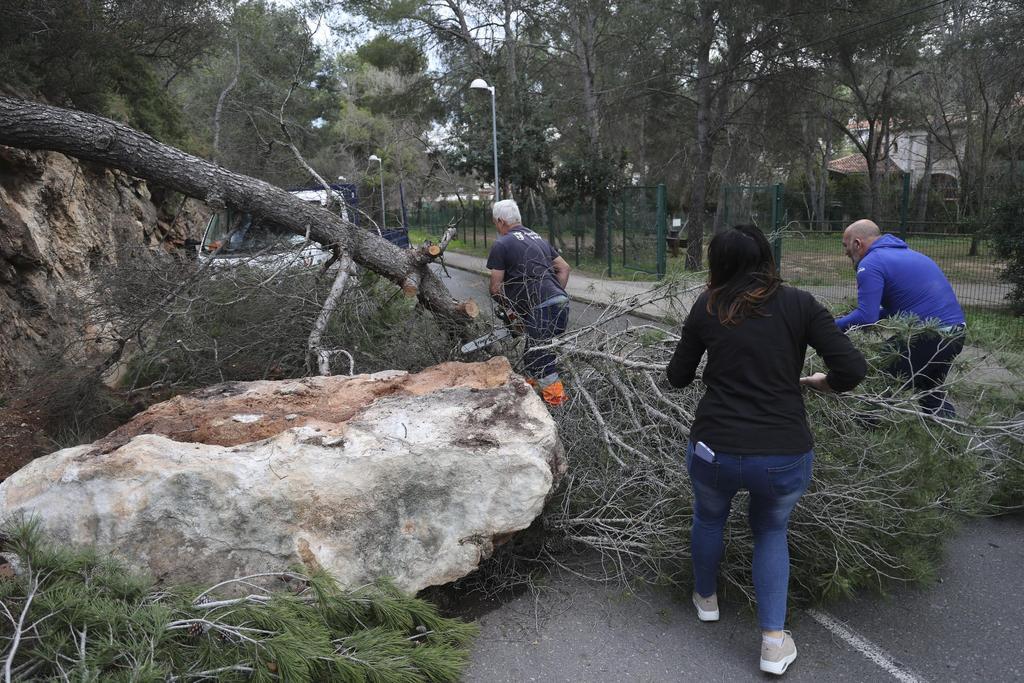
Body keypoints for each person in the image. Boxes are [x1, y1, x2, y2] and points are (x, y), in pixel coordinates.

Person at [666, 224, 866, 676]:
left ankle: (706, 599)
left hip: (714, 448)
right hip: (782, 454)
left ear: (719, 264)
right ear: (766, 259)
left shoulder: (708, 305)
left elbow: (677, 377)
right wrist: (823, 383)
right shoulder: (799, 304)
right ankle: (773, 644)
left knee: (708, 516)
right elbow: (852, 368)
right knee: (770, 531)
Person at [837, 219, 966, 417]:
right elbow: (897, 309)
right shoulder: (907, 254)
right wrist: (849, 318)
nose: (845, 252)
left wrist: (830, 326)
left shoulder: (871, 263)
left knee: (877, 379)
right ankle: (951, 440)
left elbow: (866, 316)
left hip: (929, 334)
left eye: (845, 246)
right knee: (929, 392)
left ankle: (862, 431)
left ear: (857, 243)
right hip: (956, 334)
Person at [486, 199, 572, 406]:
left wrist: (511, 311)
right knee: (531, 353)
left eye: (495, 223)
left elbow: (495, 288)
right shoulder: (537, 238)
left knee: (540, 359)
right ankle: (533, 400)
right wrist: (555, 294)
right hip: (561, 303)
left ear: (500, 221)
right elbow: (564, 268)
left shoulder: (502, 243)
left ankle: (558, 406)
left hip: (542, 308)